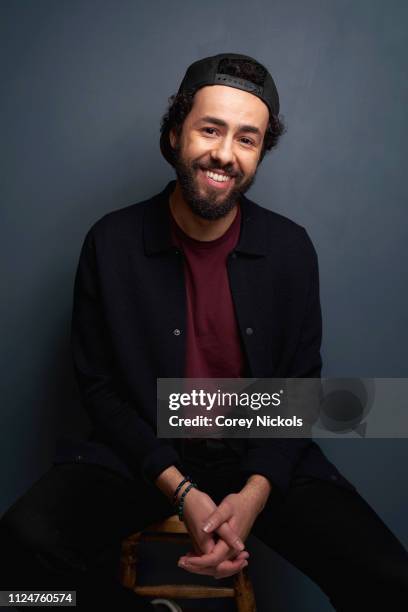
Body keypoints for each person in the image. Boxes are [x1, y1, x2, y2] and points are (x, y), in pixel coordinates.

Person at [1, 53, 407, 612]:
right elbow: (99, 389)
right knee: (17, 575)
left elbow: (299, 389)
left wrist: (255, 493)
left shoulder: (291, 249)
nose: (224, 153)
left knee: (392, 580)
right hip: (144, 450)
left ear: (262, 151)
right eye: (210, 130)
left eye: (247, 138)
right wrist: (183, 490)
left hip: (259, 450)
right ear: (175, 134)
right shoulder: (111, 242)